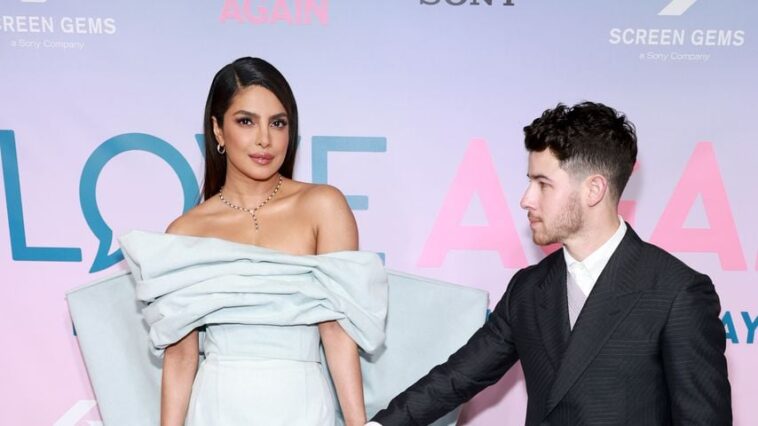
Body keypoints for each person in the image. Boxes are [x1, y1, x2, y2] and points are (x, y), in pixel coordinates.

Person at [369, 102, 731, 425]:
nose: (526, 199)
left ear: (594, 190)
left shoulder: (676, 292)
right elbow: (456, 378)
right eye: (530, 182)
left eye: (543, 184)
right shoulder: (528, 289)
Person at [122, 57, 387, 425]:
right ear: (217, 130)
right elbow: (180, 357)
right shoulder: (186, 231)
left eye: (278, 123)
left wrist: (358, 423)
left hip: (303, 405)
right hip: (217, 407)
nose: (265, 139)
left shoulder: (323, 206)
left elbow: (337, 331)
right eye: (246, 121)